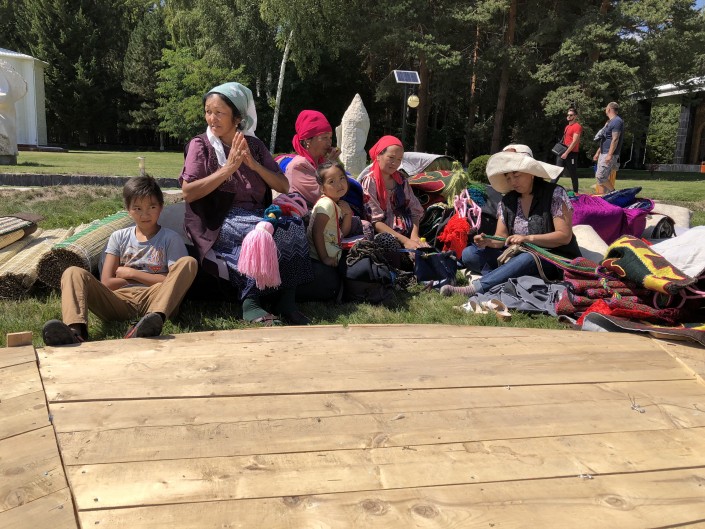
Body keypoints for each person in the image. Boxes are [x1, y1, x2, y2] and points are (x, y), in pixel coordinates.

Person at [179, 82, 311, 326]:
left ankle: (287, 302)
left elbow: (283, 186)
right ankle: (250, 303)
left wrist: (254, 165)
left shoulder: (255, 146)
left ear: (237, 118)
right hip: (218, 218)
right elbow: (188, 192)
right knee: (260, 234)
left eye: (219, 113)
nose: (212, 118)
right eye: (208, 111)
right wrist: (227, 169)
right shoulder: (201, 145)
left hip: (256, 215)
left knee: (292, 225)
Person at [42, 176, 197, 345]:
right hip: (118, 301)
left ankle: (154, 320)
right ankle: (74, 331)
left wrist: (132, 273)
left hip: (157, 298)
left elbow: (172, 281)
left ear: (161, 207)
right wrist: (150, 279)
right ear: (128, 209)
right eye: (137, 208)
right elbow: (107, 282)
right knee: (72, 272)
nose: (145, 214)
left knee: (189, 262)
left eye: (152, 207)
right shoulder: (118, 237)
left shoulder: (171, 238)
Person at [441, 151, 580, 297]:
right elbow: (501, 238)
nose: (513, 182)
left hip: (553, 259)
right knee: (470, 254)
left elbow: (564, 236)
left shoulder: (554, 193)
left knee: (528, 258)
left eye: (516, 175)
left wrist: (527, 239)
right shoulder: (508, 201)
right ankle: (509, 275)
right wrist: (488, 241)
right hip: (515, 255)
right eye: (508, 178)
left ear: (531, 173)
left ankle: (476, 288)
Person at [360, 135, 425, 253]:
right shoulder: (370, 182)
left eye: (399, 159)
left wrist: (414, 236)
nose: (395, 163)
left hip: (407, 230)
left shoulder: (401, 179)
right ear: (378, 156)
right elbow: (375, 221)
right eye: (391, 157)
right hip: (385, 235)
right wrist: (405, 241)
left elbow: (415, 210)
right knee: (388, 244)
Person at [286, 110, 341, 208]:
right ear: (308, 140)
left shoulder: (319, 163)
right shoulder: (299, 165)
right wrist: (329, 165)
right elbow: (321, 195)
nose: (329, 142)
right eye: (324, 138)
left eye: (330, 137)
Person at [308, 160, 352, 267]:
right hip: (321, 259)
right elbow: (317, 231)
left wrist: (348, 214)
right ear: (322, 188)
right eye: (331, 181)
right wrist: (325, 258)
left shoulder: (336, 203)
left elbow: (342, 233)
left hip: (334, 253)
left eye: (342, 178)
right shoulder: (326, 204)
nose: (339, 184)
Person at [592, 101, 624, 193]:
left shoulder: (617, 121)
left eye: (606, 108)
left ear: (609, 109)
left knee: (601, 176)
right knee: (601, 179)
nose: (605, 110)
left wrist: (609, 155)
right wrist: (598, 152)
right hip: (604, 152)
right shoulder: (610, 122)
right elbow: (605, 139)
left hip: (609, 154)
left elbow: (615, 139)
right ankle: (602, 198)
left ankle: (614, 192)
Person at [555, 107, 583, 193]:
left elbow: (575, 141)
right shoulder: (567, 127)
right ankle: (548, 190)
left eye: (571, 115)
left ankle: (576, 193)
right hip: (563, 152)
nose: (569, 116)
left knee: (573, 174)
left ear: (575, 116)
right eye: (568, 115)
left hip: (571, 154)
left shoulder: (577, 126)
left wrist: (566, 153)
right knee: (557, 172)